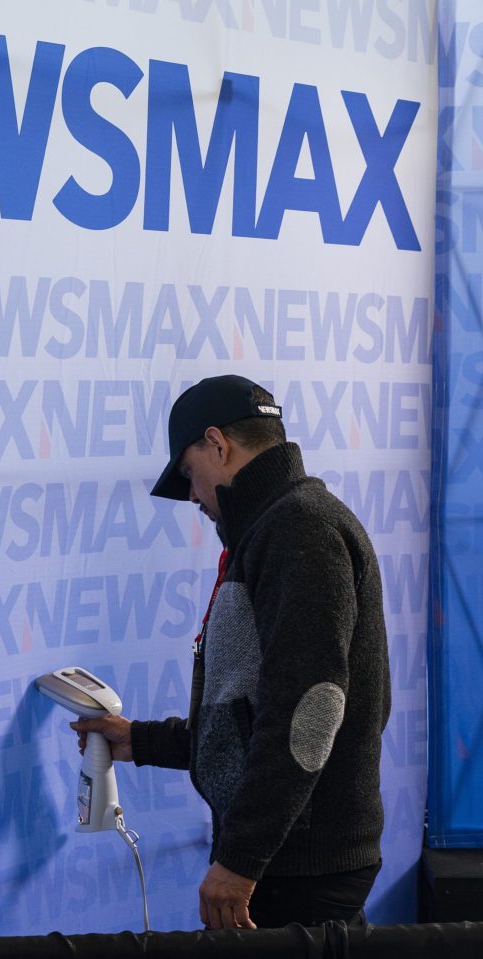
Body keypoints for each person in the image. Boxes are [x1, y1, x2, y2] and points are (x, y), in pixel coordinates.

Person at [72, 374, 391, 930]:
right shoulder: (281, 526)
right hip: (292, 855)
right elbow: (255, 716)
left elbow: (308, 712)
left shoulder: (300, 530)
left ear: (218, 445)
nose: (193, 496)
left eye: (190, 474)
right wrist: (141, 740)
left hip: (294, 865)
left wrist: (241, 862)